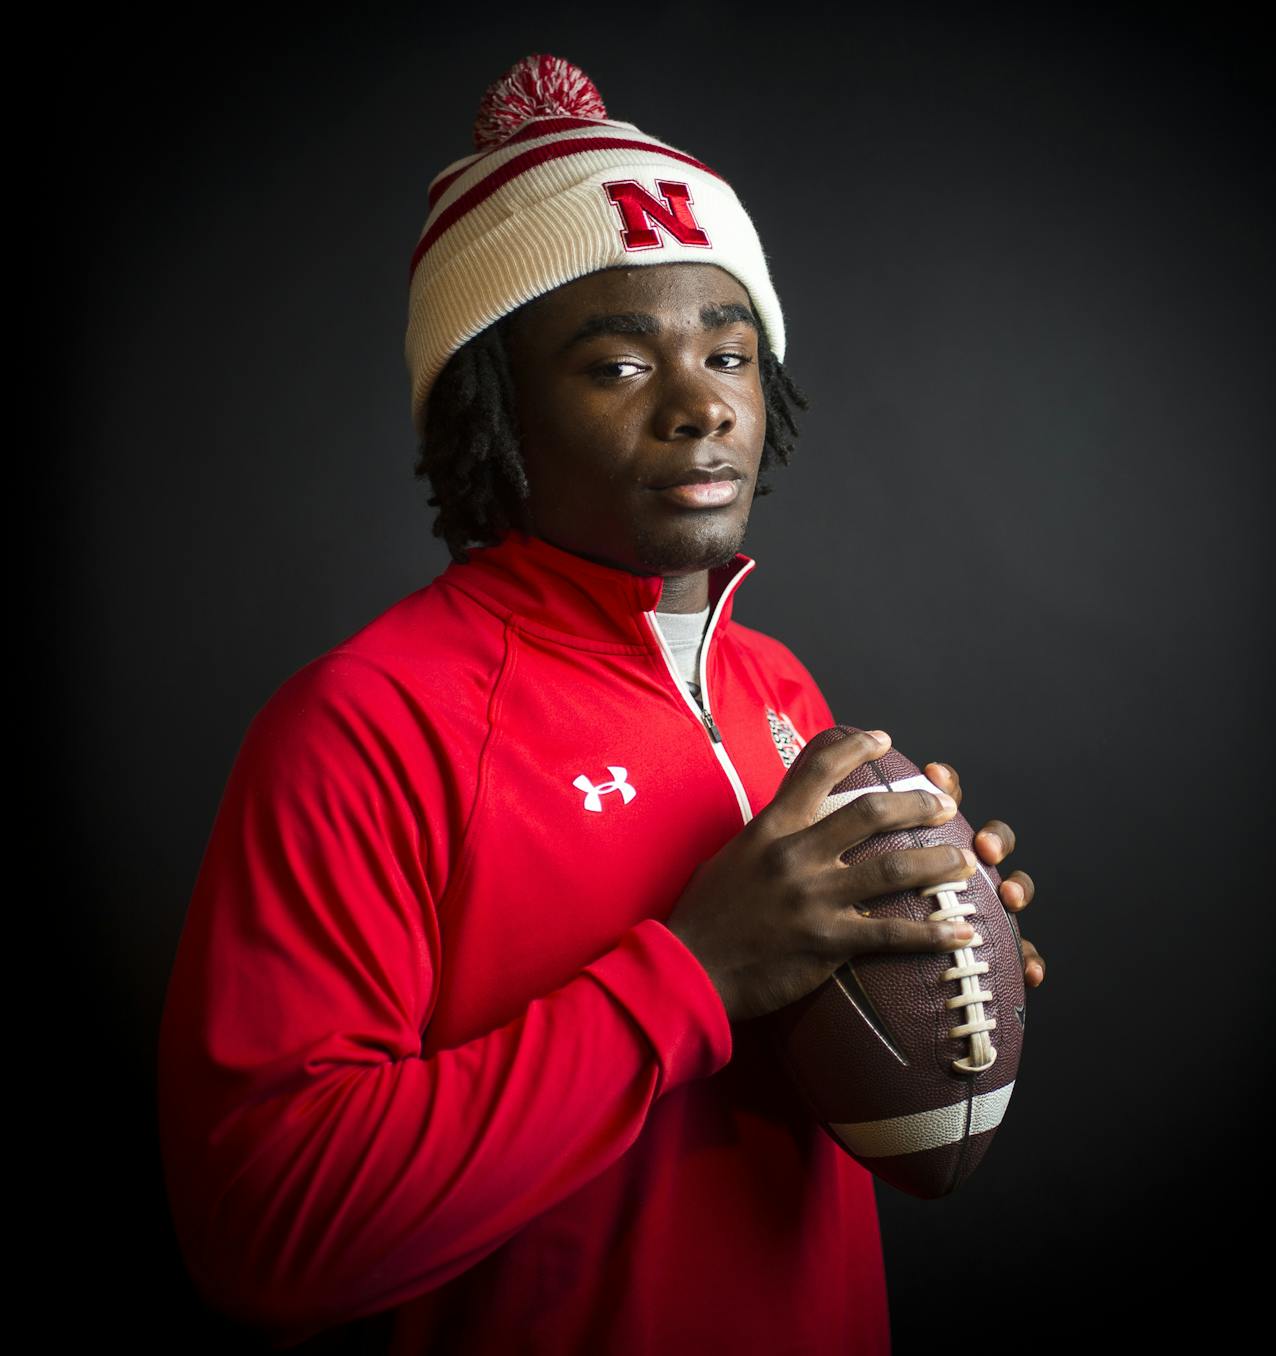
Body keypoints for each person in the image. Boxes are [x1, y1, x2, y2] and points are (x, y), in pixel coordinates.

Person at [157, 53, 1044, 1355]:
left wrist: (929, 974)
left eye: (729, 350)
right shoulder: (363, 725)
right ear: (494, 417)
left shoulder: (779, 689)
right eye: (618, 367)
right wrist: (695, 973)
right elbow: (263, 1223)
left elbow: (834, 1107)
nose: (701, 404)